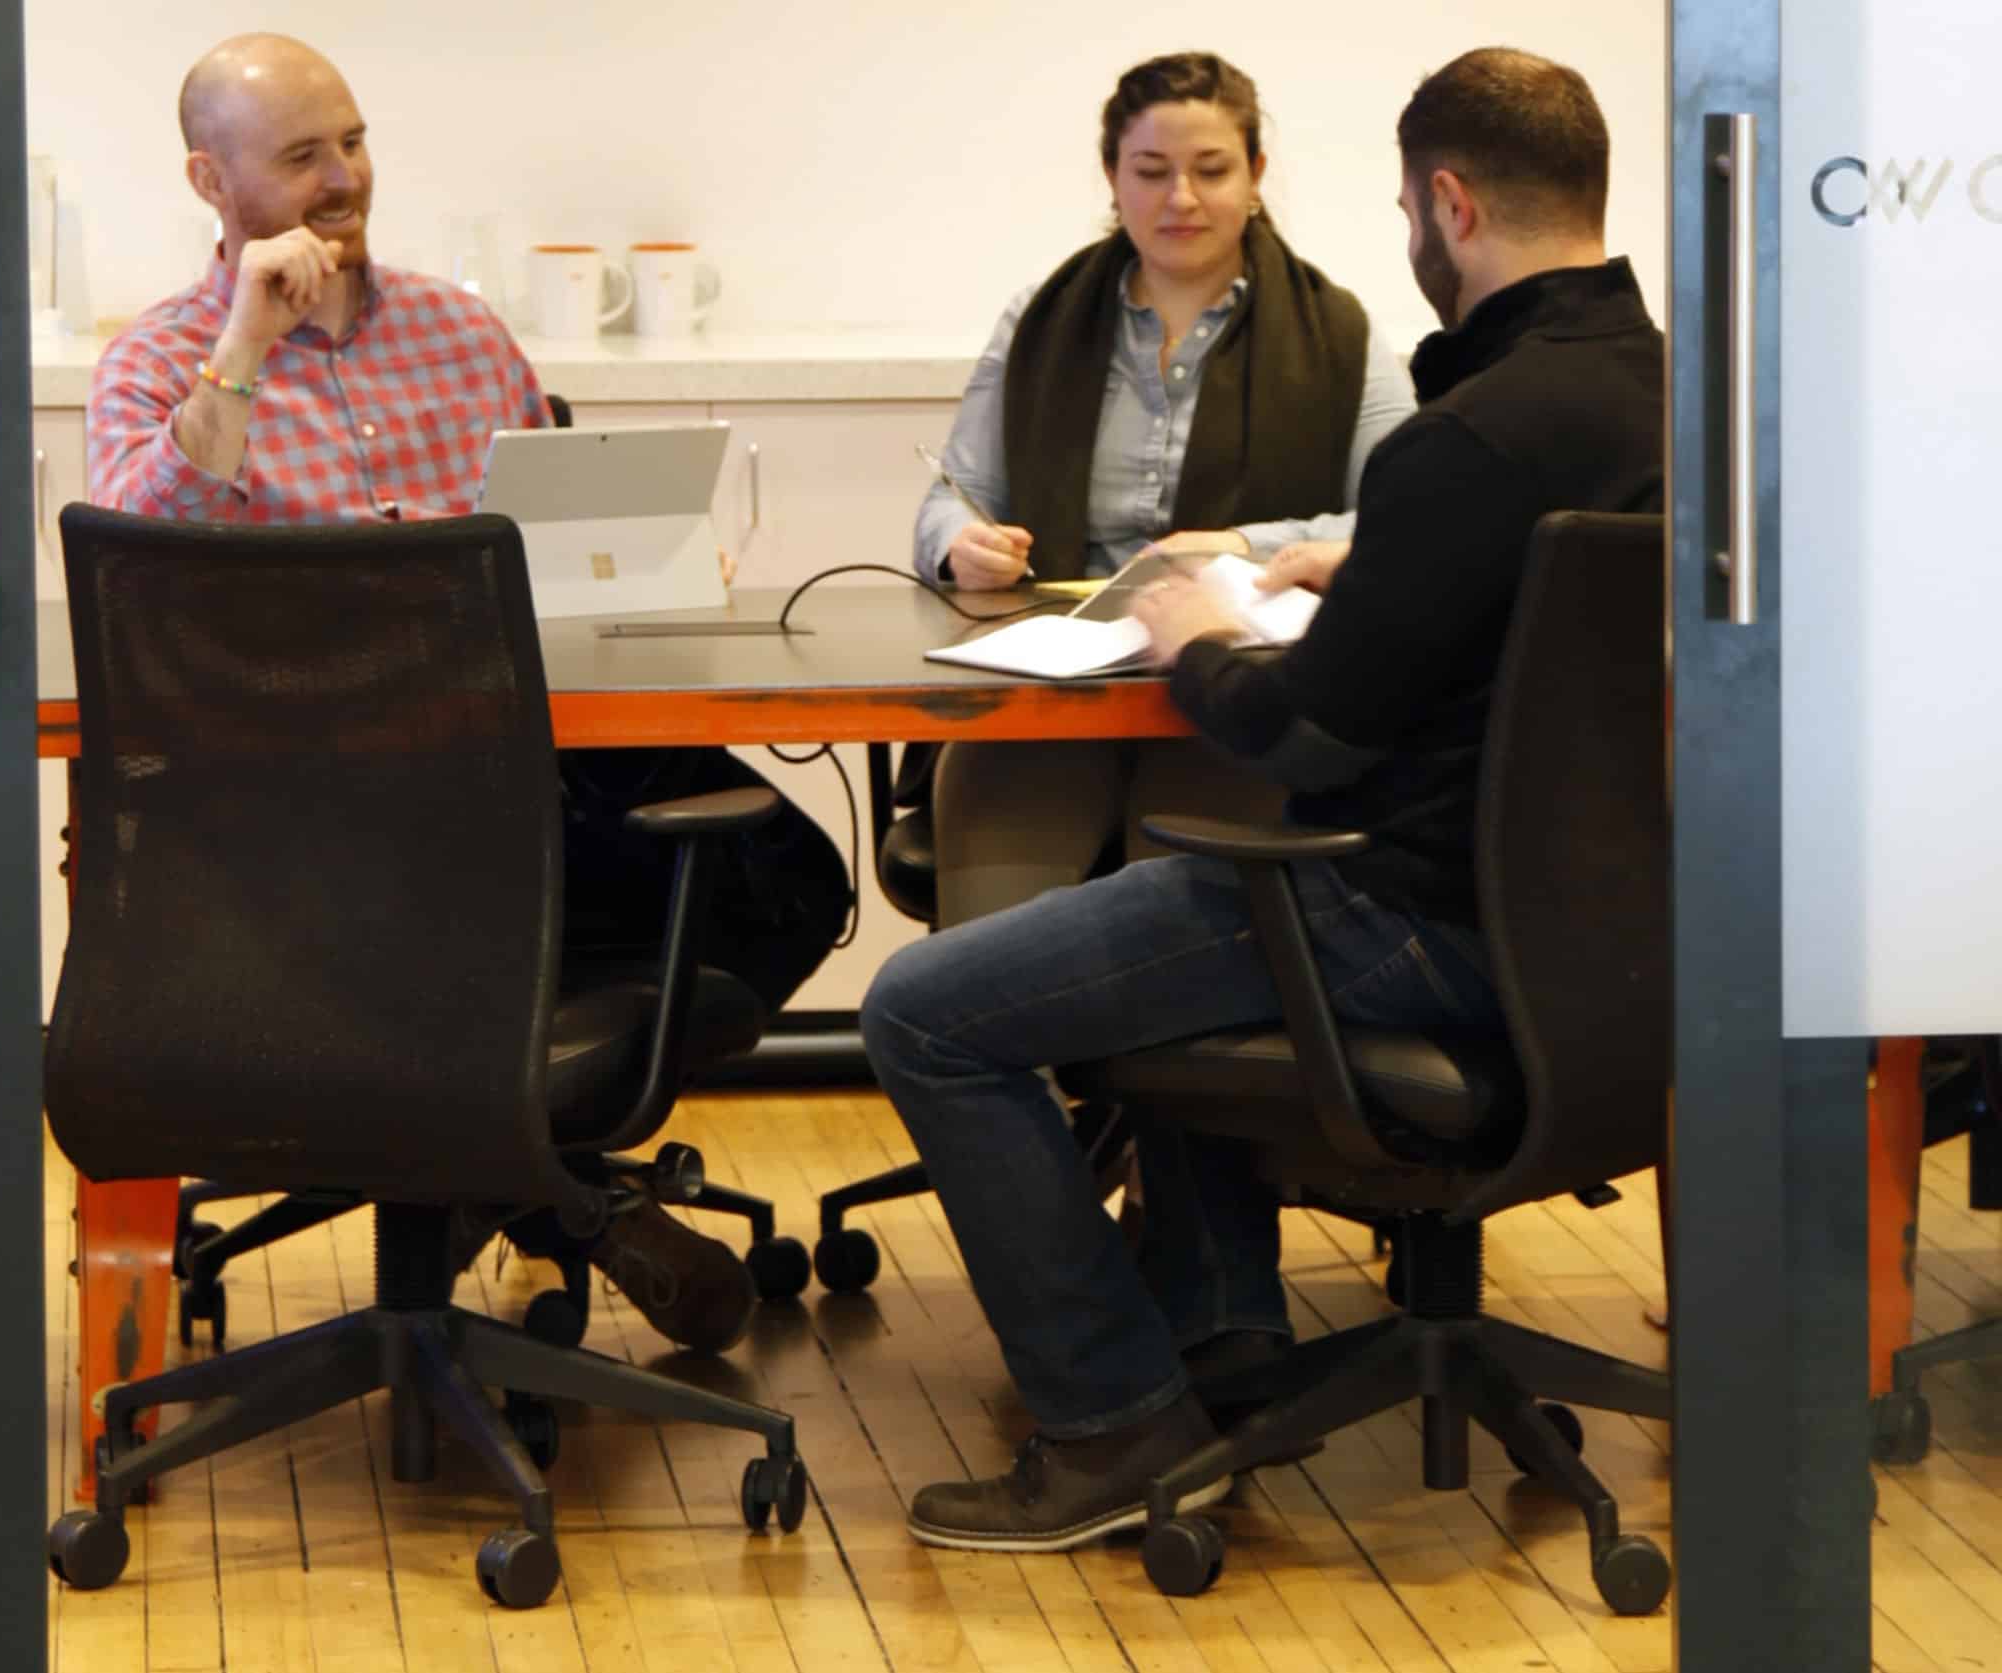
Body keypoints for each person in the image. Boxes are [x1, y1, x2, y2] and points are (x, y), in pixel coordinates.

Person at [861, 46, 1665, 1552]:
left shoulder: (1463, 437)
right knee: (1151, 911)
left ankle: (1110, 1423)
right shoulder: (1666, 394)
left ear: (1448, 202)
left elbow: (1301, 731)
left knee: (923, 1011)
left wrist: (1204, 633)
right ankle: (1221, 1336)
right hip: (1602, 942)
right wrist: (1371, 566)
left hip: (1402, 916)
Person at [85, 32, 847, 1353]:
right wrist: (245, 352)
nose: (342, 179)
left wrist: (649, 559)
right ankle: (566, 1201)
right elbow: (140, 560)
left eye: (355, 141)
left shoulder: (461, 331)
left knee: (789, 881)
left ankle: (511, 1174)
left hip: (519, 787)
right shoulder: (161, 364)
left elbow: (549, 549)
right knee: (476, 970)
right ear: (211, 181)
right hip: (308, 831)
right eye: (301, 155)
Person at [909, 52, 1415, 928]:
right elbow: (953, 496)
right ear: (1113, 177)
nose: (1181, 197)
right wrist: (960, 543)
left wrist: (1242, 545)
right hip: (1049, 694)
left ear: (1255, 175)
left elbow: (1398, 524)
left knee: (1171, 941)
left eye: (1211, 170)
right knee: (982, 949)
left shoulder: (1341, 332)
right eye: (1150, 171)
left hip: (1238, 692)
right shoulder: (1040, 319)